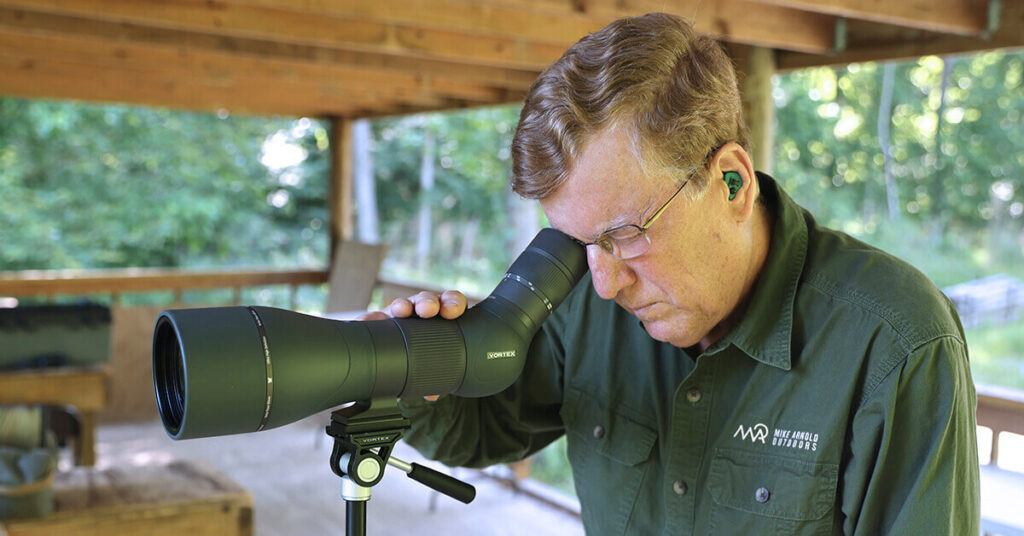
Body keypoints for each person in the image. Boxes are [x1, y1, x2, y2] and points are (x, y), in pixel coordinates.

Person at [360, 12, 980, 535]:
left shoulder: (896, 340)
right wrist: (420, 379)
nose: (604, 284)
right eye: (577, 245)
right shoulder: (587, 296)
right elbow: (488, 429)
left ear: (731, 182)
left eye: (625, 235)